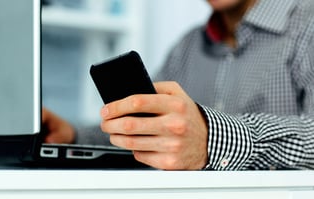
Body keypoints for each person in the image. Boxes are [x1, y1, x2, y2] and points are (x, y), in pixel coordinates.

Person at [42, 0, 314, 170]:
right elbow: (151, 130)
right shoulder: (187, 48)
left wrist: (211, 138)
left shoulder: (308, 24)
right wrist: (72, 136)